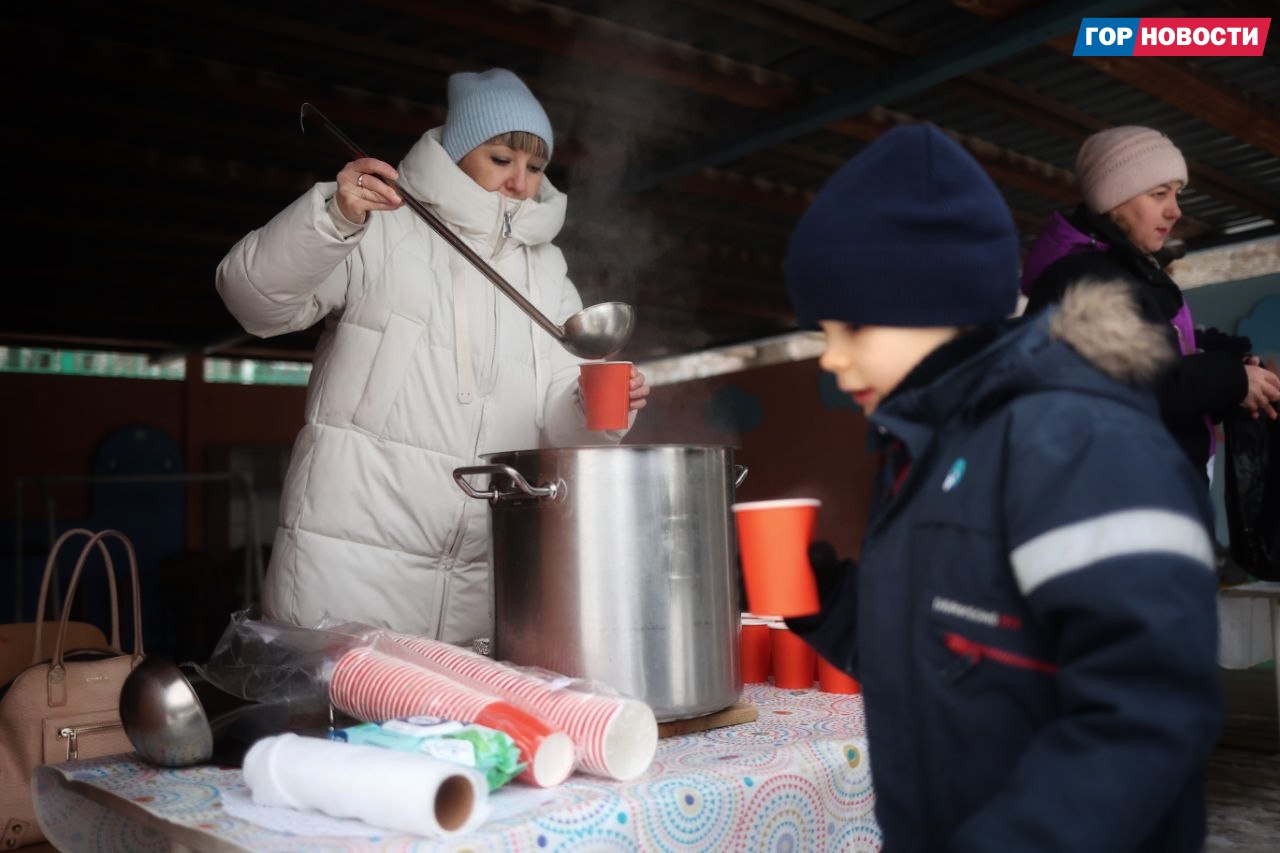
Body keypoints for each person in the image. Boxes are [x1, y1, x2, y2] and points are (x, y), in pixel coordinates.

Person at [782, 124, 1223, 852]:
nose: (830, 356)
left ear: (940, 303)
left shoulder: (1079, 441)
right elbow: (952, 653)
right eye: (821, 329)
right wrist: (822, 601)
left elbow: (1147, 711)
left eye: (851, 325)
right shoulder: (919, 452)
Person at [216, 68, 648, 644]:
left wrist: (600, 405)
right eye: (501, 159)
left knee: (460, 736)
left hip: (480, 580)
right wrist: (334, 218)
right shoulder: (382, 226)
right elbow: (254, 301)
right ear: (456, 152)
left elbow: (559, 410)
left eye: (536, 167)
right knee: (340, 728)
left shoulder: (545, 267)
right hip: (350, 568)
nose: (521, 182)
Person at [1022, 126, 1280, 481]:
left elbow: (1166, 346)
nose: (1175, 211)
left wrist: (1232, 365)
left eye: (1177, 194)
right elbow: (1141, 388)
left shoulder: (1124, 271)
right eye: (1159, 194)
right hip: (1122, 495)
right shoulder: (1084, 280)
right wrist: (1231, 378)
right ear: (1114, 201)